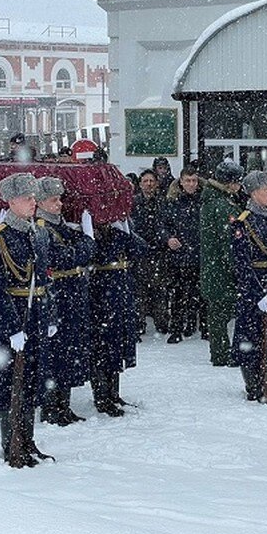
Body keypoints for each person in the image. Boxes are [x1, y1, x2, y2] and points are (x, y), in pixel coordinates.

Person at [0, 172, 55, 467]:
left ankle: (27, 439)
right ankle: (11, 442)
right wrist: (12, 328)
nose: (33, 203)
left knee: (31, 380)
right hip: (13, 316)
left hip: (35, 314)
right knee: (10, 382)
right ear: (11, 201)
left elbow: (44, 279)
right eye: (27, 199)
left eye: (34, 198)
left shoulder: (36, 232)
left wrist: (49, 314)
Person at [35, 176, 95, 425]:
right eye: (53, 200)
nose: (59, 204)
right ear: (40, 203)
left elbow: (78, 253)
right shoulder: (41, 228)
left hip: (70, 294)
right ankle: (51, 408)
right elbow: (65, 258)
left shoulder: (60, 226)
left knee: (70, 351)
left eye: (60, 199)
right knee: (55, 353)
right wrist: (87, 242)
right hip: (56, 295)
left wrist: (83, 245)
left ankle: (63, 405)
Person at [230, 171, 267, 403]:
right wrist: (257, 293)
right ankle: (253, 385)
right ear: (254, 192)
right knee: (250, 335)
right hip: (254, 287)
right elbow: (242, 264)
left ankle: (266, 380)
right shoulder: (243, 221)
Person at [89, 217, 149, 417]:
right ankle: (102, 396)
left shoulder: (119, 228)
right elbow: (94, 254)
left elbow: (141, 249)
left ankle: (114, 393)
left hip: (121, 289)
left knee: (118, 341)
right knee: (102, 343)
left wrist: (125, 230)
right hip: (101, 290)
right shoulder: (91, 227)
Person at [200, 160, 244, 366]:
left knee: (217, 314)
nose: (239, 186)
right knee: (220, 314)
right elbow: (228, 242)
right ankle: (221, 354)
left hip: (213, 267)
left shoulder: (213, 201)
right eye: (237, 181)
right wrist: (236, 267)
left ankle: (220, 352)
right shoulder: (222, 206)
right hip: (220, 269)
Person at [161, 166, 202, 344]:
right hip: (178, 256)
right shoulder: (172, 201)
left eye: (194, 180)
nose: (191, 184)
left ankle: (197, 325)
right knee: (177, 294)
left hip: (200, 255)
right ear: (181, 181)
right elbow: (161, 225)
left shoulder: (203, 200)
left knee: (199, 293)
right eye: (188, 180)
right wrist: (168, 238)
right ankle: (176, 328)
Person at [131, 168, 169, 334]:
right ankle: (139, 324)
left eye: (152, 181)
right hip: (140, 253)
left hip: (159, 251)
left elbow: (165, 225)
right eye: (145, 181)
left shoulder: (163, 202)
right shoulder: (133, 203)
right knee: (139, 291)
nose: (149, 184)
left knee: (160, 289)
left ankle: (161, 321)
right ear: (140, 184)